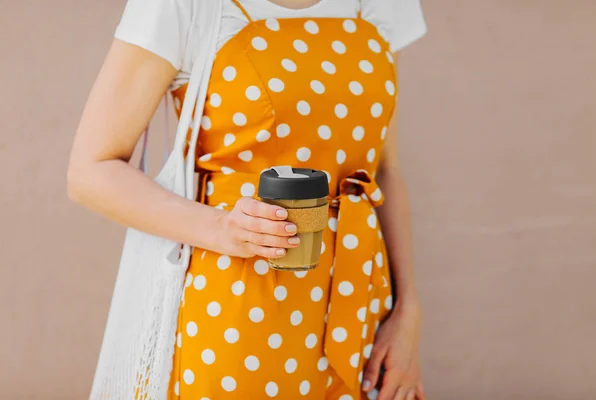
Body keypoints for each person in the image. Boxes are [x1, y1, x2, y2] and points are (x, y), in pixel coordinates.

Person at [68, 0, 427, 399]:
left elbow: (383, 172)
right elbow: (90, 171)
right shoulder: (183, 5)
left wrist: (408, 310)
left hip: (363, 310)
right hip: (236, 310)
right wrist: (222, 228)